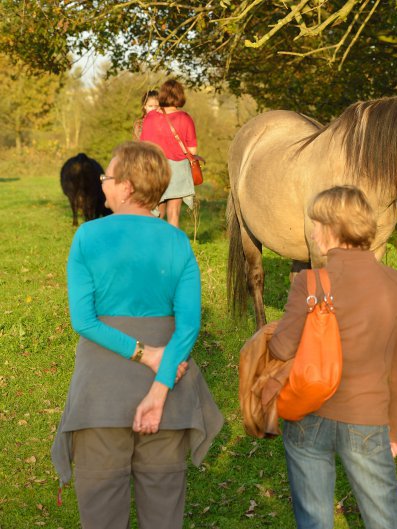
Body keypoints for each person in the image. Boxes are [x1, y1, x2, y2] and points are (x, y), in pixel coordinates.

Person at [51, 141, 223, 529]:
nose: (101, 183)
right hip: (170, 397)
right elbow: (189, 325)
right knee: (164, 512)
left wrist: (144, 353)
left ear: (126, 186)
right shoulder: (177, 241)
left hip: (102, 396)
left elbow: (84, 321)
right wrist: (160, 387)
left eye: (106, 177)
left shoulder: (87, 238)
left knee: (101, 514)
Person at [268, 186, 397, 529]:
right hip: (368, 418)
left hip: (308, 413)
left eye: (317, 223)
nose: (313, 232)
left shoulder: (310, 281)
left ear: (333, 229)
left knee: (315, 522)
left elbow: (282, 349)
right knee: (384, 521)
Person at [140, 78, 199, 228]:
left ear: (162, 95)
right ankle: (173, 249)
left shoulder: (150, 117)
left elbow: (143, 146)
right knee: (174, 212)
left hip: (155, 168)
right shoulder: (185, 118)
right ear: (180, 95)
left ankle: (154, 246)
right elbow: (192, 150)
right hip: (178, 169)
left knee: (157, 213)